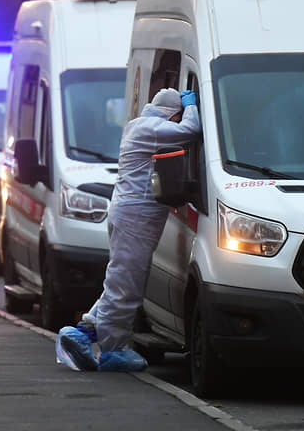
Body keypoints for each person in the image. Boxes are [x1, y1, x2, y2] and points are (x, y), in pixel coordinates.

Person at [56, 87, 201, 372]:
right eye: (177, 115)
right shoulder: (152, 128)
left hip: (130, 214)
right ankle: (111, 349)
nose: (177, 120)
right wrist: (192, 104)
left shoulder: (140, 125)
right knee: (126, 285)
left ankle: (85, 332)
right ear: (171, 113)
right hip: (135, 216)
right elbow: (191, 129)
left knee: (123, 280)